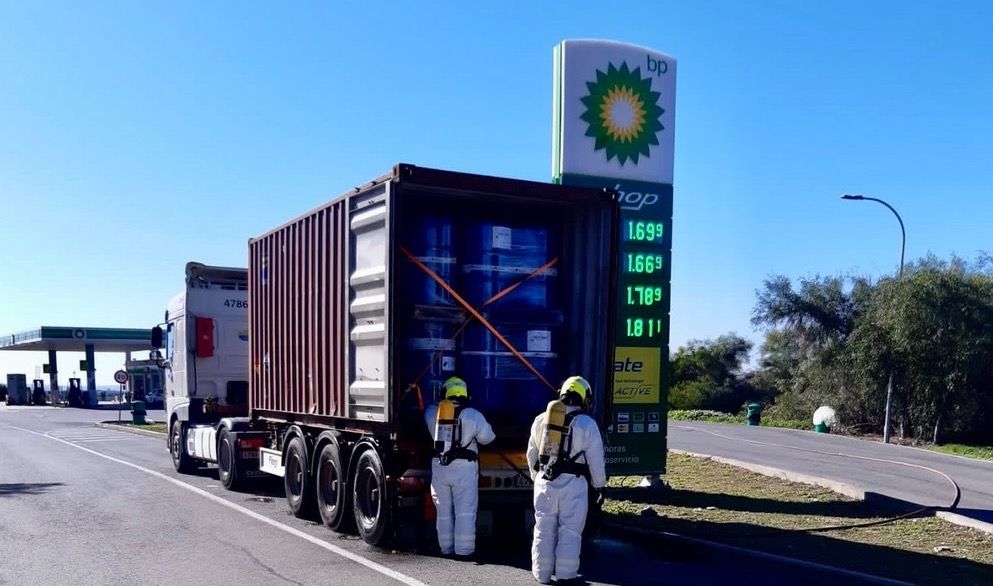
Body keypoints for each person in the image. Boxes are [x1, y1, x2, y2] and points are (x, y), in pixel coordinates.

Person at [526, 375, 607, 584]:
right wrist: (600, 486)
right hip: (574, 484)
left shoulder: (540, 419)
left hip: (545, 483)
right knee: (570, 531)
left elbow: (531, 454)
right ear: (583, 397)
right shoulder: (587, 423)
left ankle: (541, 574)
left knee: (543, 528)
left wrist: (537, 478)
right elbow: (596, 460)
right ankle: (565, 575)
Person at [423, 376, 496, 558]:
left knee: (443, 511)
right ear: (466, 394)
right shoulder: (473, 415)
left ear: (445, 393)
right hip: (464, 469)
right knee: (465, 511)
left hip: (440, 467)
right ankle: (464, 551)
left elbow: (427, 414)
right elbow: (488, 438)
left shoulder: (433, 412)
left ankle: (446, 549)